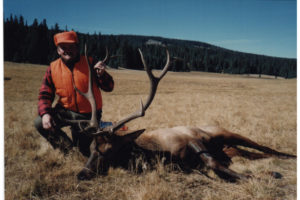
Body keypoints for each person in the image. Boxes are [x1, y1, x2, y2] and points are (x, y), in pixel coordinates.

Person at [34, 31, 114, 157]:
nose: (67, 50)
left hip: (88, 115)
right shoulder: (53, 68)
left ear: (77, 47)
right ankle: (68, 151)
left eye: (71, 47)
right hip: (65, 111)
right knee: (40, 122)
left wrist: (102, 75)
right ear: (58, 50)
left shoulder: (90, 63)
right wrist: (45, 114)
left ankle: (79, 148)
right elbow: (45, 94)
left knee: (85, 152)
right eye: (63, 47)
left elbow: (109, 87)